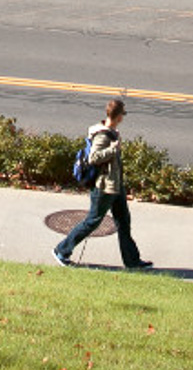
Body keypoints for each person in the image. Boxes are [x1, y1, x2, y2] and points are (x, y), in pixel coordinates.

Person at [53, 98, 153, 271]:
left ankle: (132, 261)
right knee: (92, 221)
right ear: (119, 116)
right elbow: (93, 157)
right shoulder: (103, 135)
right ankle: (61, 250)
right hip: (104, 187)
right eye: (123, 114)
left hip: (115, 186)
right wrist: (113, 149)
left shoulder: (111, 132)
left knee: (123, 222)